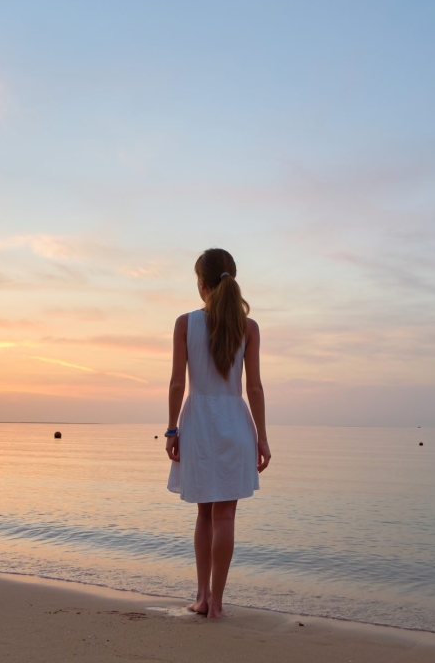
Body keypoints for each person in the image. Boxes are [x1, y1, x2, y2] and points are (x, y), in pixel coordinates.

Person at [165, 248, 272, 619]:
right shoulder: (249, 327)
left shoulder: (185, 323)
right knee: (225, 516)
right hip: (235, 423)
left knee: (204, 515)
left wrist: (171, 429)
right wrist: (261, 437)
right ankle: (218, 604)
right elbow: (254, 388)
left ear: (201, 283)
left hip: (197, 424)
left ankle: (201, 596)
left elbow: (178, 383)